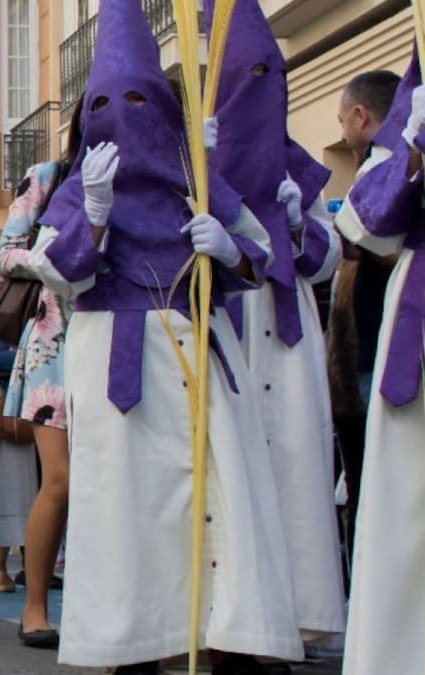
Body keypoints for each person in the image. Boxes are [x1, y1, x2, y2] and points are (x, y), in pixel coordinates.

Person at [30, 1, 302, 671]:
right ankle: (134, 646)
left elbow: (261, 252)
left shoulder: (200, 181)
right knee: (128, 506)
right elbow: (56, 272)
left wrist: (229, 251)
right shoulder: (77, 189)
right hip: (116, 362)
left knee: (221, 496)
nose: (121, 115)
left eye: (138, 100)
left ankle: (229, 638)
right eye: (103, 103)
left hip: (200, 352)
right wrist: (93, 218)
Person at [207, 0, 345, 641]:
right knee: (230, 471)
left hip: (285, 335)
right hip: (228, 324)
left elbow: (327, 260)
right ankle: (228, 621)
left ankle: (293, 619)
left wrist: (295, 226)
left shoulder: (300, 169)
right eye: (250, 76)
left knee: (292, 464)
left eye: (272, 76)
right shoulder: (201, 156)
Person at [335, 50, 425, 675]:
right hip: (412, 334)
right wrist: (411, 153)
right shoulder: (405, 130)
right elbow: (366, 225)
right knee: (406, 504)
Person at [0, 93, 83, 652]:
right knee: (61, 478)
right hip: (54, 343)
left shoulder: (150, 178)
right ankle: (34, 607)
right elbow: (4, 253)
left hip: (119, 334)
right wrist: (45, 259)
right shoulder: (48, 177)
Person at [331, 67, 401, 561]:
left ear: (360, 116)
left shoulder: (386, 173)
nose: (341, 132)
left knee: (376, 482)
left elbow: (383, 245)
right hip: (364, 353)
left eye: (341, 120)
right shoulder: (375, 170)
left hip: (381, 350)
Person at [0, 269, 38, 594]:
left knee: (14, 486)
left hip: (15, 403)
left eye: (5, 277)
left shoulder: (25, 311)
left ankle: (3, 565)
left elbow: (23, 358)